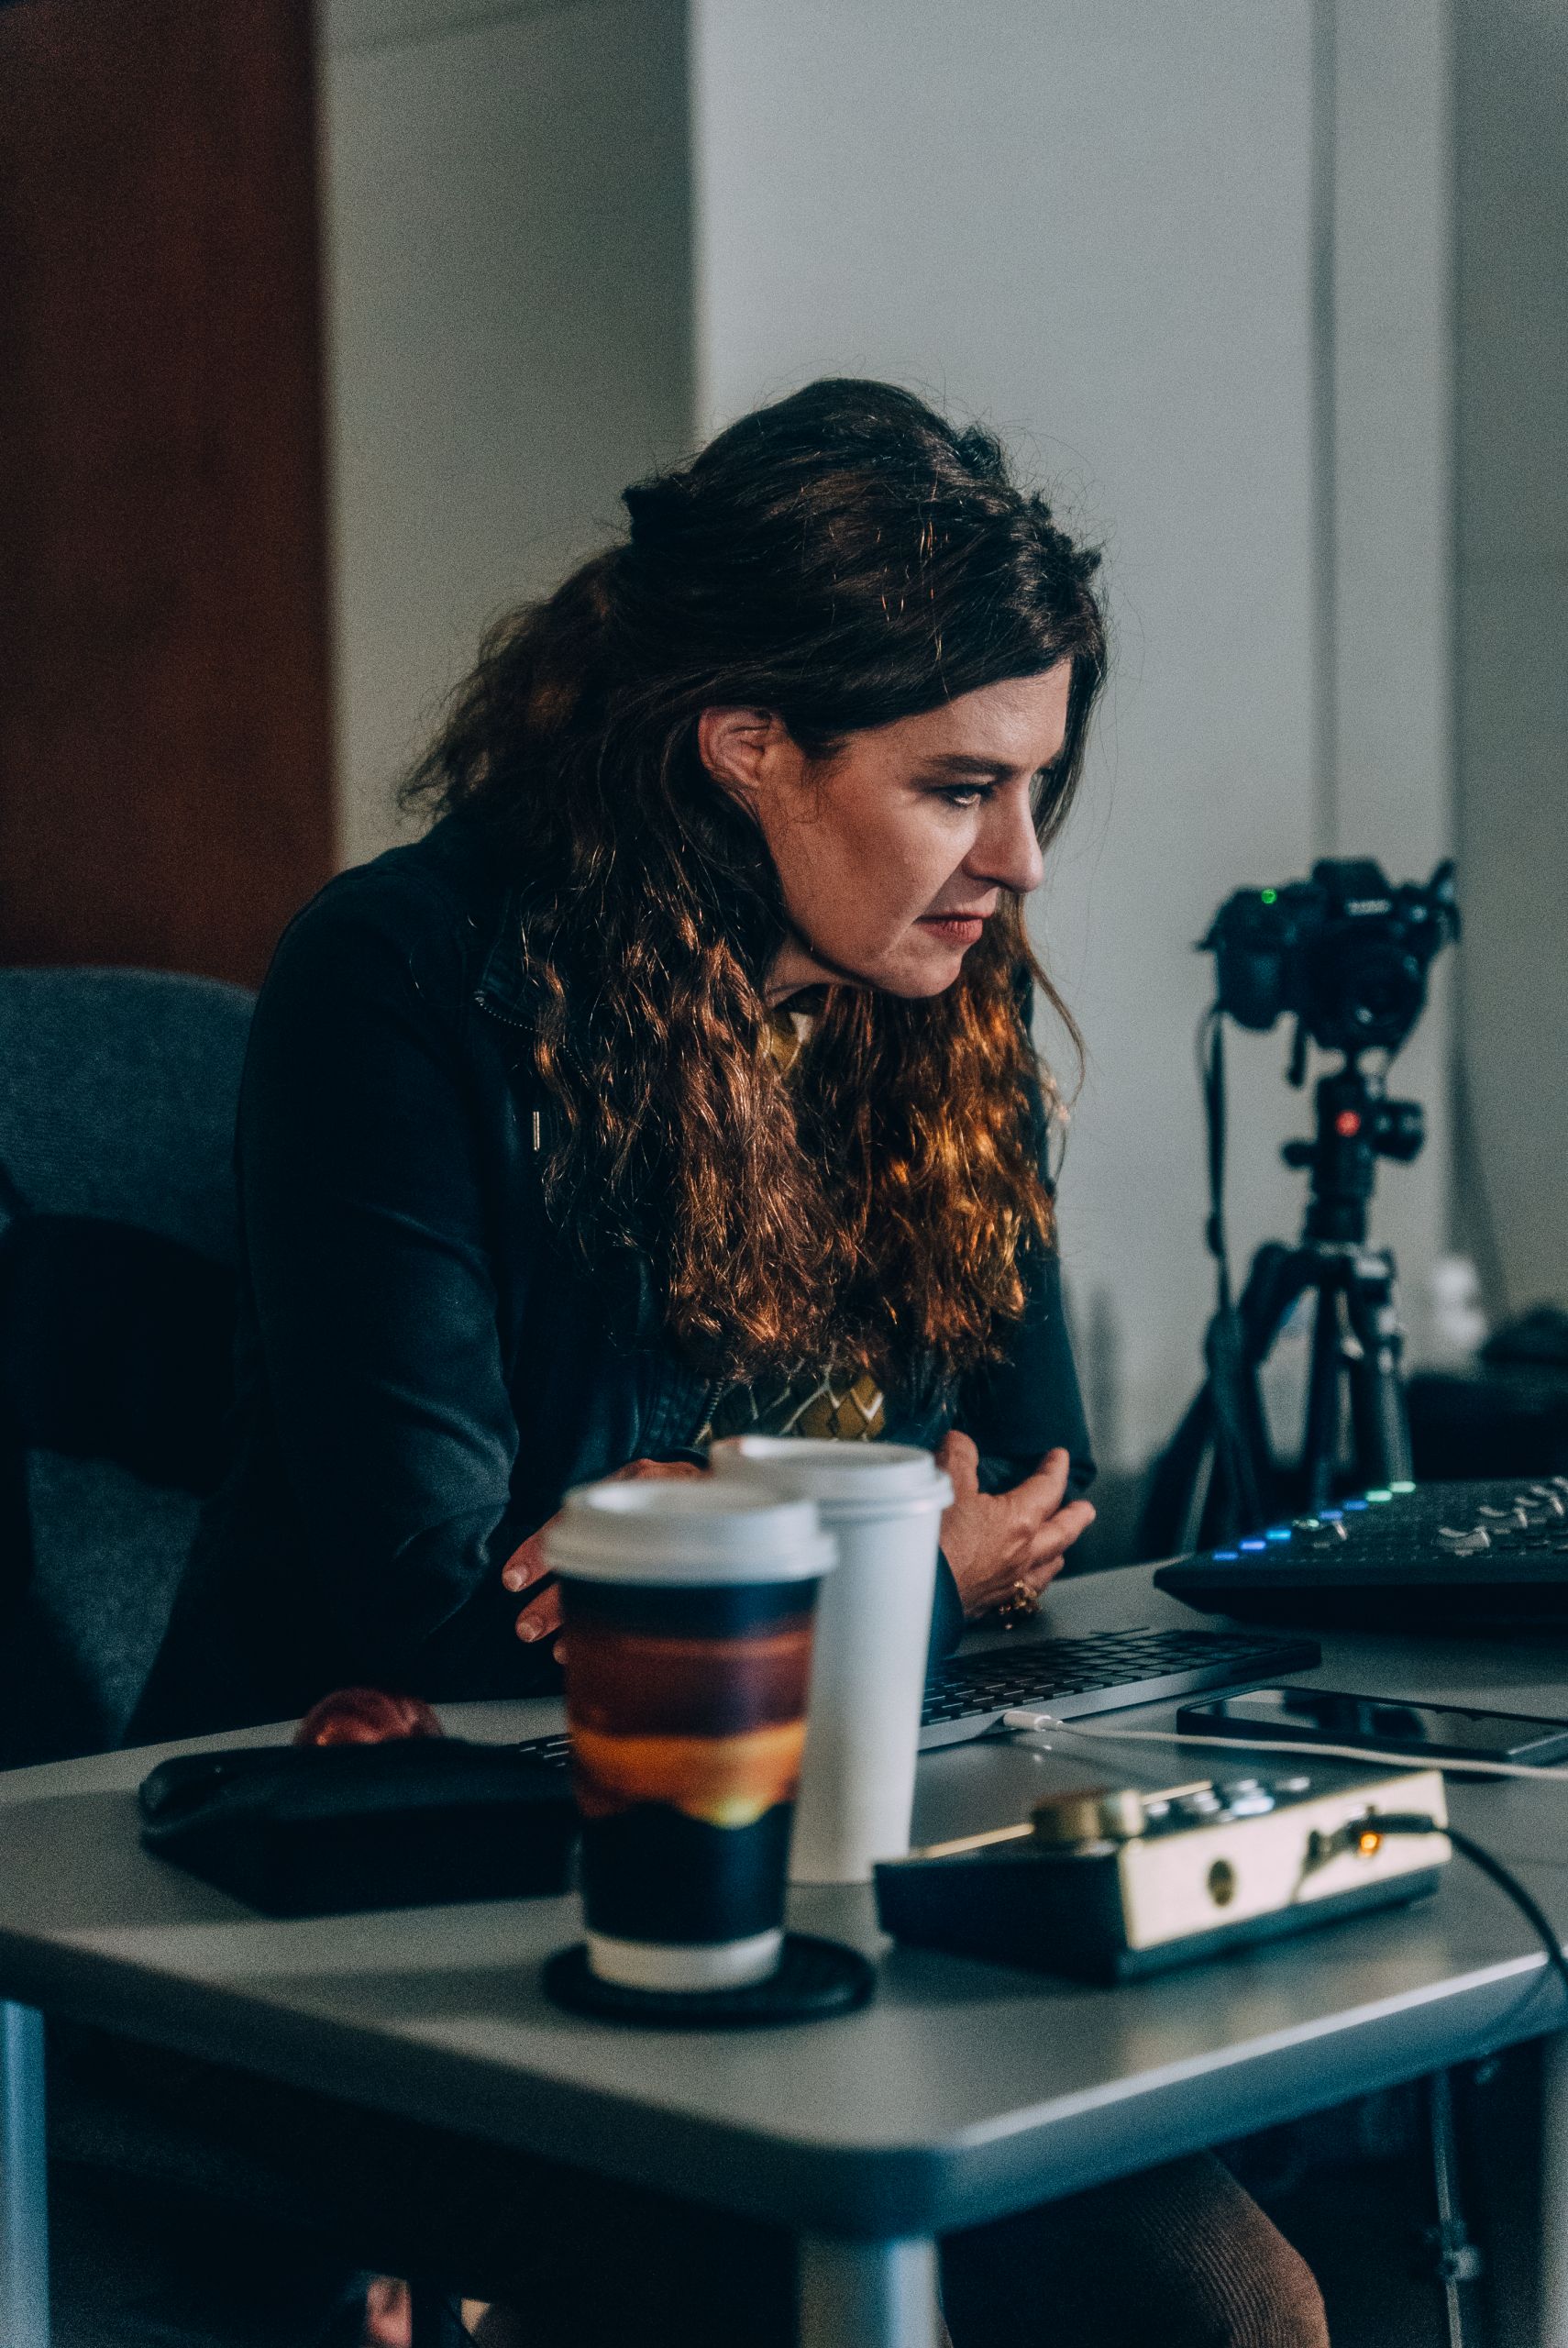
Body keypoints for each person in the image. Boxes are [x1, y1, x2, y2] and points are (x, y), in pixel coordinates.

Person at [116, 380, 1326, 2348]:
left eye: (1038, 782)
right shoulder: (408, 980)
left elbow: (1030, 1491)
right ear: (750, 744)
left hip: (809, 1860)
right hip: (385, 1901)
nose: (1019, 857)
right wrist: (880, 1558)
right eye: (957, 785)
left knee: (1229, 2275)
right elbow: (442, 1608)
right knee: (1152, 2301)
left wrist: (739, 1547)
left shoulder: (932, 995)